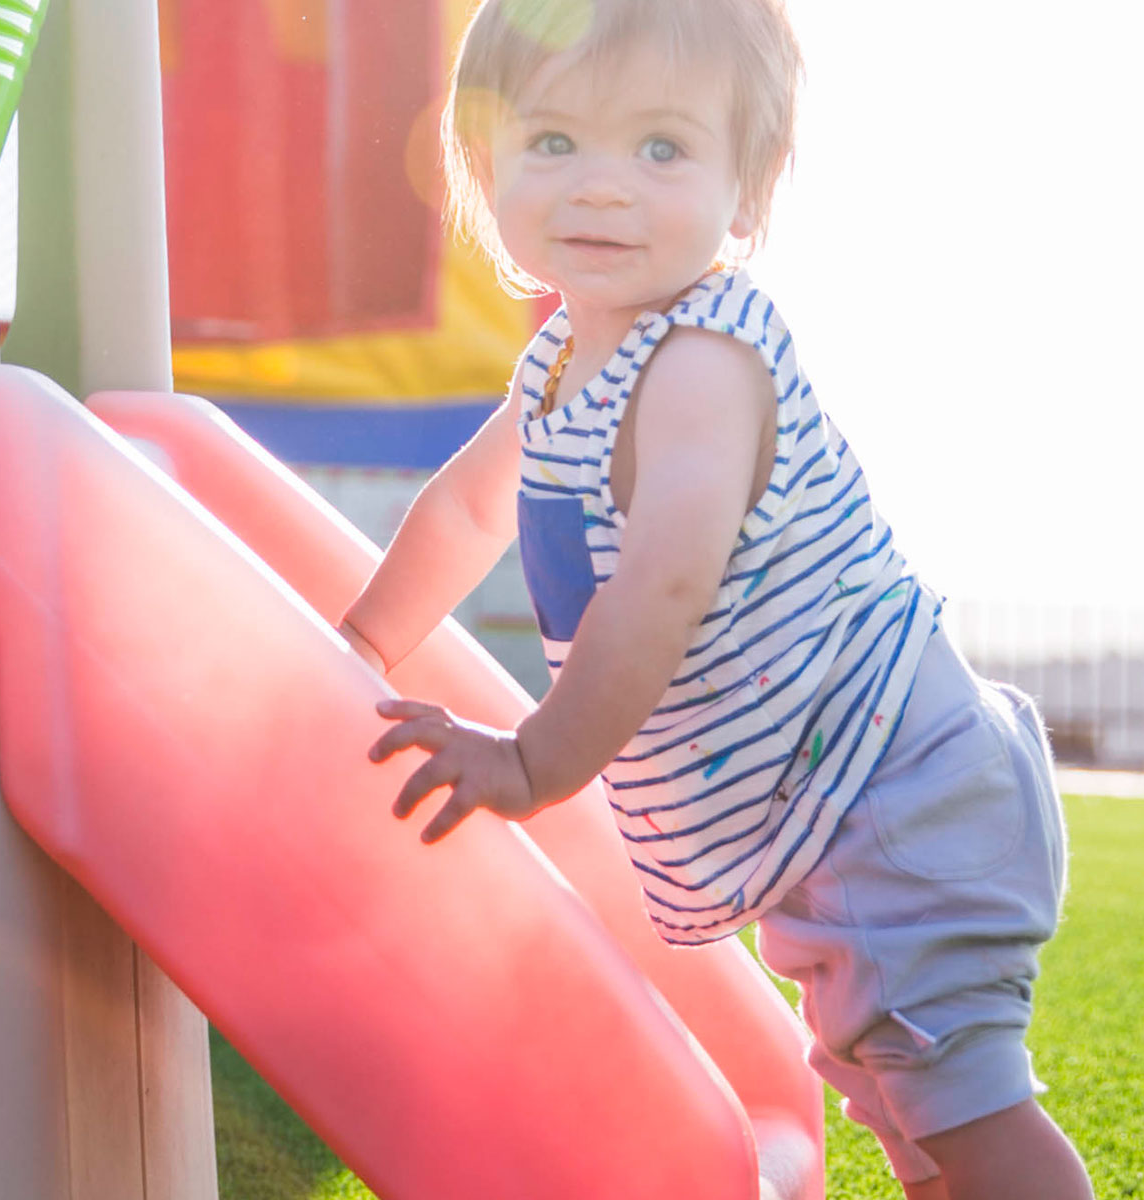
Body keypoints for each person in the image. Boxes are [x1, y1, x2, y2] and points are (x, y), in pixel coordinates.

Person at [333, 3, 1094, 1197]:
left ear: (748, 189)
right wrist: (361, 645)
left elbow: (667, 581)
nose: (602, 188)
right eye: (553, 144)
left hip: (896, 791)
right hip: (834, 806)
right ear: (483, 172)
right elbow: (465, 514)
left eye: (660, 149)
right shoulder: (555, 372)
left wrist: (534, 763)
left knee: (957, 1108)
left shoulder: (701, 362)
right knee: (899, 1099)